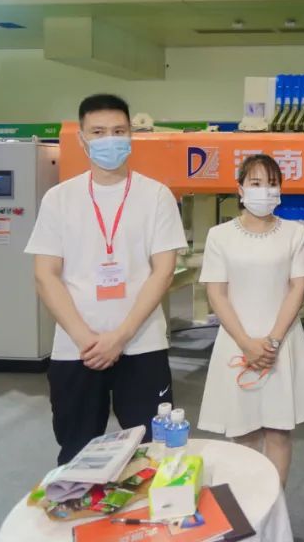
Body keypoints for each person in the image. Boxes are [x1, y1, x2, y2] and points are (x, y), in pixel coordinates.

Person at [25, 93, 187, 464]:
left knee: (154, 451)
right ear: (82, 139)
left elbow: (162, 272)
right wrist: (86, 339)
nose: (109, 139)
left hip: (142, 344)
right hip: (76, 348)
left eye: (118, 131)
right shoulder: (59, 199)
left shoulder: (156, 196)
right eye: (98, 132)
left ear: (131, 136)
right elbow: (45, 275)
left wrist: (120, 337)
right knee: (77, 452)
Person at [197, 154, 304, 487]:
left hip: (281, 343)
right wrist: (246, 343)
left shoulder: (294, 233)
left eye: (272, 183)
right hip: (236, 342)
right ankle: (245, 507)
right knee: (243, 434)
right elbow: (217, 293)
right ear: (240, 189)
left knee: (279, 432)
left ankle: (274, 507)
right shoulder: (219, 235)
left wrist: (272, 342)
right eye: (255, 183)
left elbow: (297, 287)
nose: (265, 190)